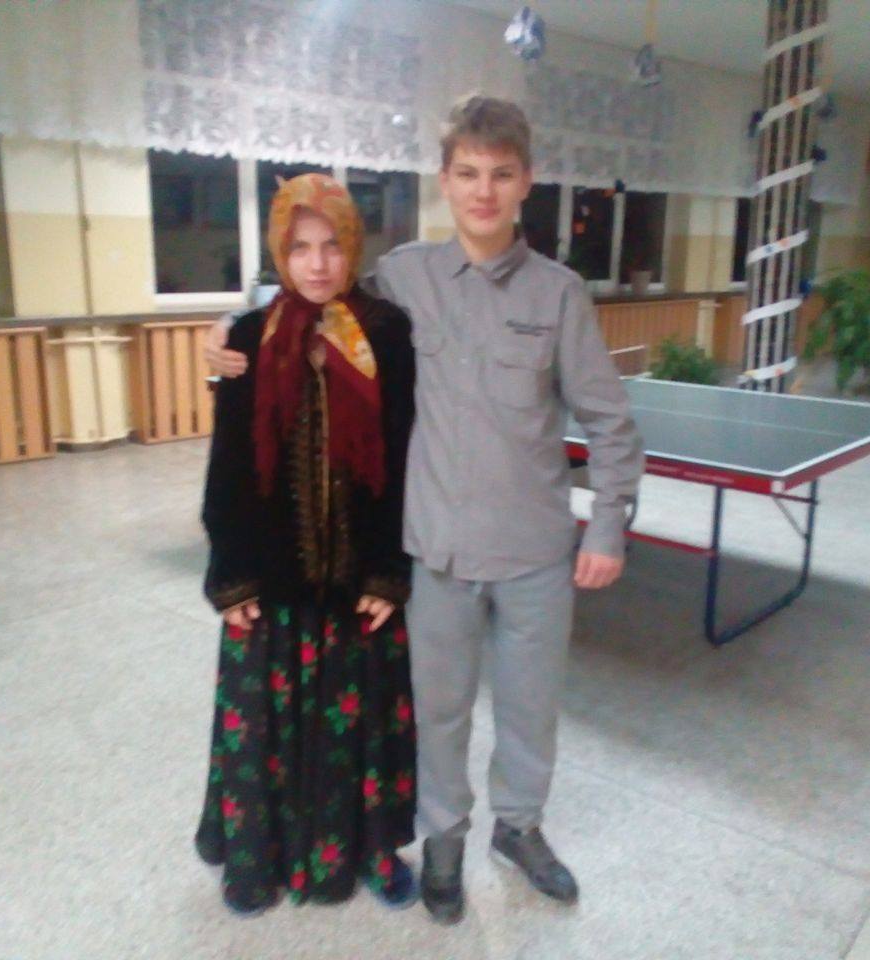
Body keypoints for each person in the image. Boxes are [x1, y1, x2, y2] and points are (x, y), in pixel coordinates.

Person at [206, 97, 643, 925]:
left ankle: (519, 827)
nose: (483, 191)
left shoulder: (560, 295)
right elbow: (314, 285)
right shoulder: (403, 278)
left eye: (501, 175)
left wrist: (610, 524)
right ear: (445, 180)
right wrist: (233, 326)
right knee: (438, 713)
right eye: (468, 173)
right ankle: (443, 841)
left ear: (526, 182)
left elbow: (610, 421)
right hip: (435, 554)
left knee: (530, 708)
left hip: (535, 553)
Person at [194, 173, 418, 916]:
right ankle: (259, 859)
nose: (317, 264)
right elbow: (228, 467)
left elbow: (403, 457)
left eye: (331, 245)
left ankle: (371, 851)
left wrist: (389, 572)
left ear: (353, 246)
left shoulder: (387, 335)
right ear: (278, 253)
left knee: (362, 726)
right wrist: (230, 577)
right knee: (269, 727)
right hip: (273, 584)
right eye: (299, 248)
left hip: (359, 585)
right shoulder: (247, 339)